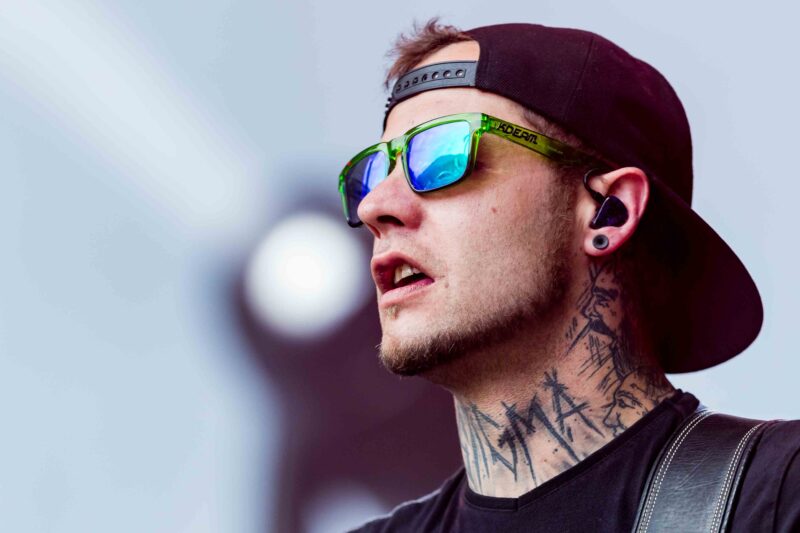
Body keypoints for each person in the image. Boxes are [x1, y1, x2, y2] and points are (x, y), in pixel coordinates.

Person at [337, 20, 800, 532]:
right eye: (373, 174)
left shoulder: (781, 496)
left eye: (442, 153)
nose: (375, 206)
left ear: (608, 212)